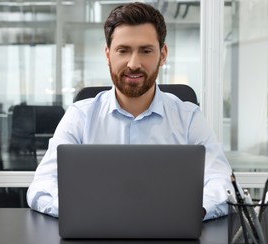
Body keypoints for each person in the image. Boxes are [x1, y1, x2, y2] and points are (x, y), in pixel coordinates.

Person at [27, 2, 233, 221]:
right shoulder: (80, 116)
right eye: (123, 50)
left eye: (146, 51)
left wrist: (190, 212)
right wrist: (82, 209)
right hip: (96, 239)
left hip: (170, 240)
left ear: (163, 55)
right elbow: (42, 186)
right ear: (108, 55)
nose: (134, 64)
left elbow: (222, 183)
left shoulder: (189, 117)